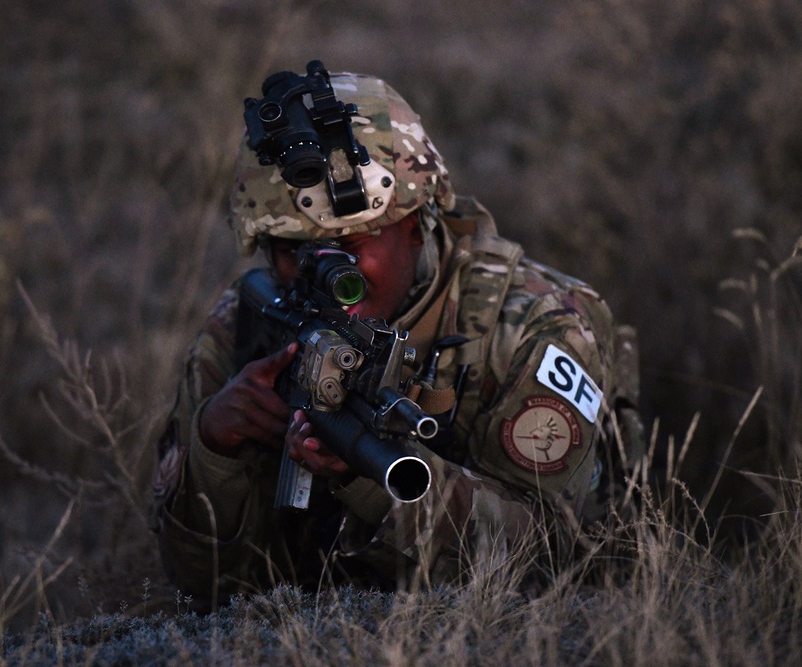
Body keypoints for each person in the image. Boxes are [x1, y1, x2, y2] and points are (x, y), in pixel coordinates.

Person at [149, 63, 645, 601]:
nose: (327, 278)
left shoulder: (536, 327)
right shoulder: (245, 324)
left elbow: (551, 563)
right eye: (295, 252)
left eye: (352, 249)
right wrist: (214, 449)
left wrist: (375, 481)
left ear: (414, 227)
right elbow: (204, 588)